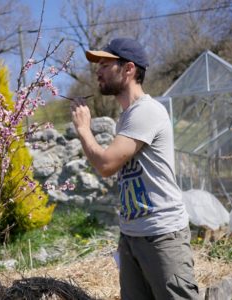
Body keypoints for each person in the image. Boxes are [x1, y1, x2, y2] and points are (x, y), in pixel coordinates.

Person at [70, 38, 199, 299]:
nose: (99, 71)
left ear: (129, 69)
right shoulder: (128, 117)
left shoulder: (146, 112)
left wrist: (84, 130)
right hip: (132, 235)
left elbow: (106, 165)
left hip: (161, 236)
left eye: (106, 64)